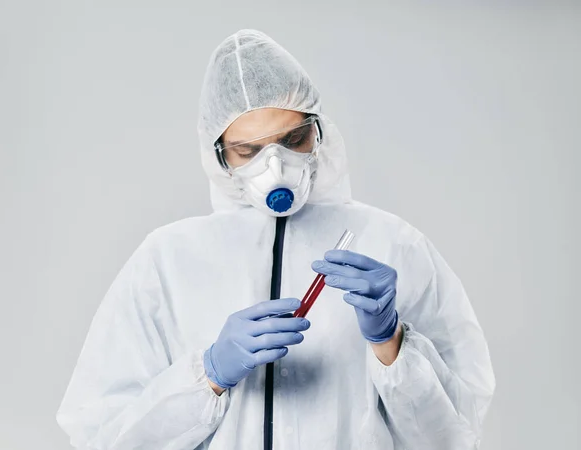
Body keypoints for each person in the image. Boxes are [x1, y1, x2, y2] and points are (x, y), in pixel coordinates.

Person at [57, 29, 495, 450]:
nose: (276, 165)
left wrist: (391, 344)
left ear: (318, 131)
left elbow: (450, 438)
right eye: (249, 151)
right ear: (220, 155)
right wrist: (206, 376)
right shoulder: (166, 261)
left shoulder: (393, 244)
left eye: (293, 139)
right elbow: (104, 437)